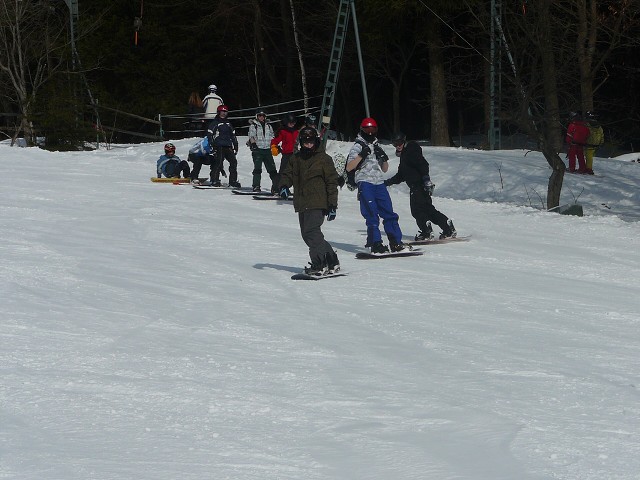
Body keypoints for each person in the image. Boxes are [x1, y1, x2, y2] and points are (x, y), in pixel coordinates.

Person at [279, 126, 340, 275]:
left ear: (316, 141)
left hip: (318, 202)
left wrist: (332, 205)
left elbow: (332, 183)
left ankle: (319, 264)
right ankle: (331, 259)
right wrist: (284, 186)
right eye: (305, 142)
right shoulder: (296, 158)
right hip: (302, 202)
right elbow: (287, 174)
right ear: (301, 142)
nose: (308, 144)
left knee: (312, 232)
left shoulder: (324, 159)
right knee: (308, 235)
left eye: (311, 142)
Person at [346, 117, 407, 253]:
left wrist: (383, 157)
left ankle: (395, 241)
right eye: (367, 129)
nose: (370, 132)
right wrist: (362, 155)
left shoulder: (376, 146)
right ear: (362, 130)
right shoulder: (357, 146)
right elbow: (349, 167)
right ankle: (375, 243)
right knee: (371, 213)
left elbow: (384, 169)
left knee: (388, 211)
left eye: (372, 129)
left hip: (379, 182)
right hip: (365, 182)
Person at [385, 132, 456, 240]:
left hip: (418, 186)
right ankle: (447, 227)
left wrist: (426, 179)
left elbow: (423, 164)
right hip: (419, 187)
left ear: (404, 141)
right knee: (429, 210)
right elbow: (401, 175)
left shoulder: (411, 152)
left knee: (417, 211)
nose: (398, 145)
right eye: (395, 144)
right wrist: (387, 182)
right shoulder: (405, 155)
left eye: (400, 143)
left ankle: (426, 231)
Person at [206, 104, 240, 187]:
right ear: (218, 112)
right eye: (222, 112)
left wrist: (235, 145)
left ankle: (233, 181)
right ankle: (214, 180)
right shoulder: (215, 122)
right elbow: (210, 134)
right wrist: (212, 145)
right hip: (219, 145)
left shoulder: (228, 123)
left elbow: (233, 135)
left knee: (233, 162)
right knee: (218, 162)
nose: (224, 113)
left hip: (228, 145)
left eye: (225, 112)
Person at [247, 108, 277, 192]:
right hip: (258, 149)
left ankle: (276, 186)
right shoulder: (254, 125)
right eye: (259, 115)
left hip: (267, 149)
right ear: (256, 116)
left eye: (263, 115)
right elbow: (251, 135)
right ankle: (256, 185)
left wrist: (274, 145)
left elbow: (272, 136)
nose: (261, 117)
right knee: (257, 169)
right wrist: (253, 144)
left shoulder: (268, 126)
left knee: (272, 169)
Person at [270, 113, 299, 196]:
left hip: (296, 155)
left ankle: (285, 188)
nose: (292, 124)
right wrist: (274, 147)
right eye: (290, 123)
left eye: (293, 123)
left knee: (293, 173)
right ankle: (275, 188)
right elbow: (275, 141)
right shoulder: (283, 131)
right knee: (283, 172)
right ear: (286, 122)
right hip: (286, 155)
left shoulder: (296, 132)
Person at [584, 111, 604, 175]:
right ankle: (587, 167)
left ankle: (589, 169)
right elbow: (602, 134)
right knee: (589, 155)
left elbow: (585, 133)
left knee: (588, 156)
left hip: (589, 142)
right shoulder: (598, 125)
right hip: (596, 143)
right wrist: (601, 143)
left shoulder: (587, 124)